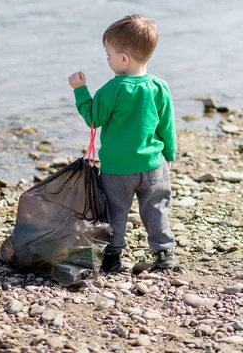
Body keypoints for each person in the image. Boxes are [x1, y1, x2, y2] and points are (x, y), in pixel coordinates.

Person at [68, 14, 176, 272]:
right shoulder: (160, 87)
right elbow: (167, 125)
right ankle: (164, 254)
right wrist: (169, 154)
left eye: (108, 54)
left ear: (123, 58)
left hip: (118, 170)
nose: (107, 59)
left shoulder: (113, 88)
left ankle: (113, 258)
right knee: (156, 210)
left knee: (116, 211)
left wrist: (80, 90)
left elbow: (94, 119)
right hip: (154, 166)